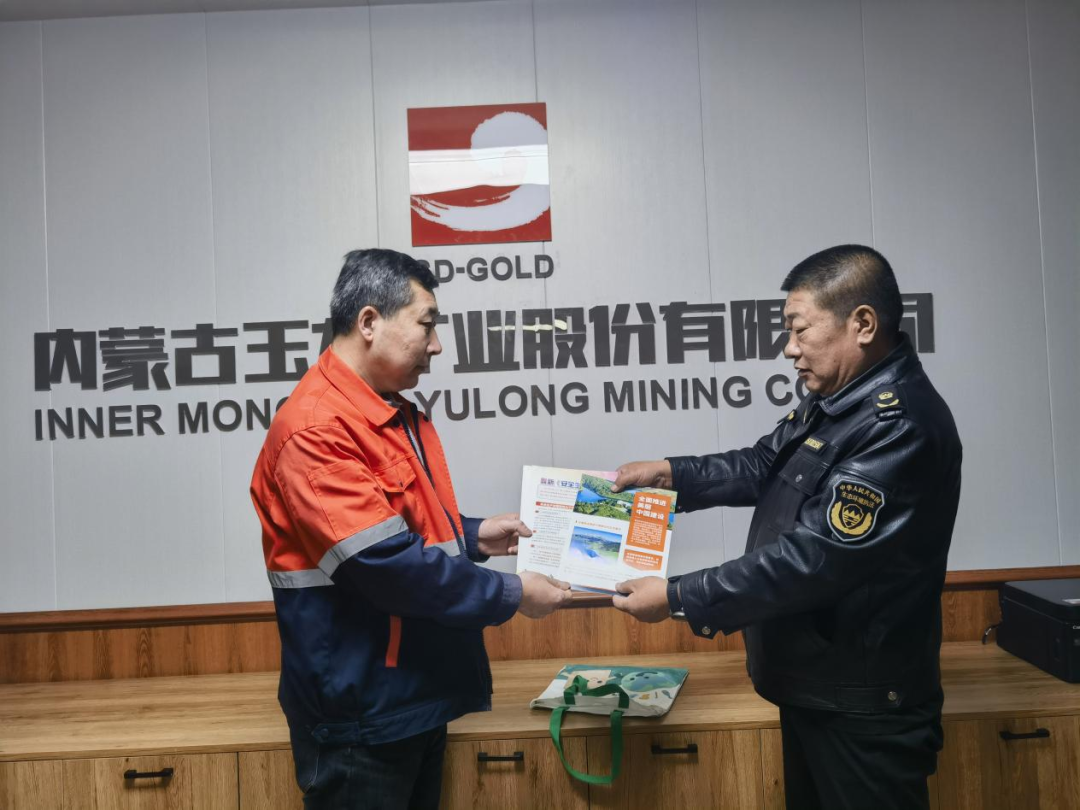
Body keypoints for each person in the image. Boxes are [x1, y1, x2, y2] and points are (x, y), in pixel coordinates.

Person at [611, 245, 961, 810]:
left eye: (799, 330)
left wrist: (678, 596)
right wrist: (670, 475)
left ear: (862, 324)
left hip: (863, 707)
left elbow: (812, 561)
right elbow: (762, 465)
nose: (789, 348)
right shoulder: (840, 400)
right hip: (821, 688)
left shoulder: (899, 426)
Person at [250, 248, 573, 809]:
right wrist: (514, 592)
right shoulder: (317, 428)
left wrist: (472, 535)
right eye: (427, 324)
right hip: (362, 714)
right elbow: (386, 566)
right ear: (369, 322)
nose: (437, 344)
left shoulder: (381, 409)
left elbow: (392, 528)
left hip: (408, 695)